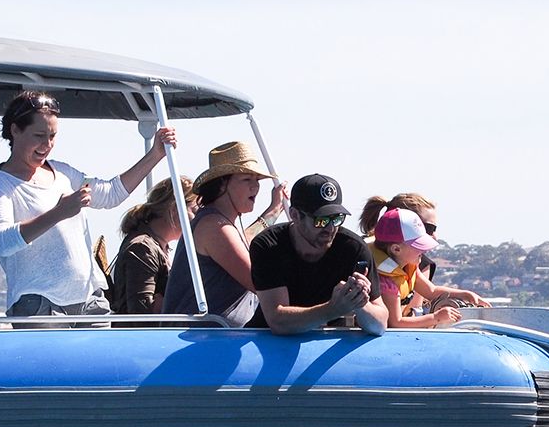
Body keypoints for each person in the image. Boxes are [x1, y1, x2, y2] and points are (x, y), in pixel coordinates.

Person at [0, 90, 176, 322]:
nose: (47, 144)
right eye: (39, 135)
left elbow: (111, 193)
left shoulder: (63, 172)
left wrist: (155, 155)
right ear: (15, 130)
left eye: (52, 136)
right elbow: (2, 242)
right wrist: (58, 213)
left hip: (90, 300)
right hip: (39, 306)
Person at [246, 174, 388, 335]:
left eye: (336, 219)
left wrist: (358, 301)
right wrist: (332, 309)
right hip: (268, 345)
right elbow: (278, 321)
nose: (329, 228)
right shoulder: (269, 246)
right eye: (321, 220)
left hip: (327, 343)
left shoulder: (353, 248)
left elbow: (380, 325)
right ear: (295, 215)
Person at [161, 141, 284, 324]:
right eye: (246, 179)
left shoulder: (218, 223)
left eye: (256, 180)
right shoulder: (214, 227)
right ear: (221, 185)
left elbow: (243, 240)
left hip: (216, 340)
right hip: (205, 344)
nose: (255, 187)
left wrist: (273, 212)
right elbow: (260, 283)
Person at [358, 192, 487, 317]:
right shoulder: (381, 275)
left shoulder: (410, 264)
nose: (435, 236)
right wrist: (435, 318)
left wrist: (466, 294)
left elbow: (431, 291)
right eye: (429, 229)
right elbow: (395, 323)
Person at [111, 177, 196, 315]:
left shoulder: (157, 246)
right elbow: (141, 315)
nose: (198, 218)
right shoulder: (143, 248)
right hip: (141, 336)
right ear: (175, 209)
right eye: (195, 210)